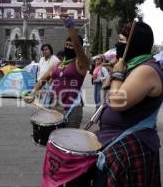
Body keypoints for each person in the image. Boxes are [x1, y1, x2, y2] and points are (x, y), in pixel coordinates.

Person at [94, 21, 162, 186]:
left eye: (122, 41)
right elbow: (105, 91)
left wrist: (117, 73)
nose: (118, 45)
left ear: (135, 44)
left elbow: (118, 101)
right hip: (115, 142)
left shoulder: (147, 69)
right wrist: (115, 70)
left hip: (131, 147)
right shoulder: (131, 66)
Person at [25, 13, 89, 129]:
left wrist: (70, 26)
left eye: (71, 45)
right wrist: (32, 93)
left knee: (69, 140)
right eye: (67, 45)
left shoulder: (81, 64)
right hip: (53, 106)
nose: (69, 47)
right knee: (53, 139)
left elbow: (78, 46)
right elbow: (42, 80)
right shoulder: (56, 65)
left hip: (72, 108)